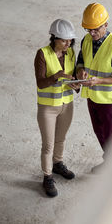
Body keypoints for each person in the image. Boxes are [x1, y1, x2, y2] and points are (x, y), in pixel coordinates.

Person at [76, 3, 112, 172]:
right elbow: (80, 62)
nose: (92, 33)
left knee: (111, 135)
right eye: (88, 30)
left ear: (106, 24)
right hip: (92, 95)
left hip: (109, 99)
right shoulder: (86, 40)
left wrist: (98, 81)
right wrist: (80, 72)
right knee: (100, 131)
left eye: (95, 29)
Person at [34, 18, 80, 197]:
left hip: (66, 104)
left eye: (70, 40)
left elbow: (71, 78)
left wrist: (76, 84)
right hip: (48, 108)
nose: (68, 43)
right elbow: (40, 83)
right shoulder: (42, 54)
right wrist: (56, 76)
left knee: (61, 139)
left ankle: (58, 164)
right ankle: (47, 176)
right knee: (48, 145)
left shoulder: (70, 54)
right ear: (53, 38)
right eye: (63, 40)